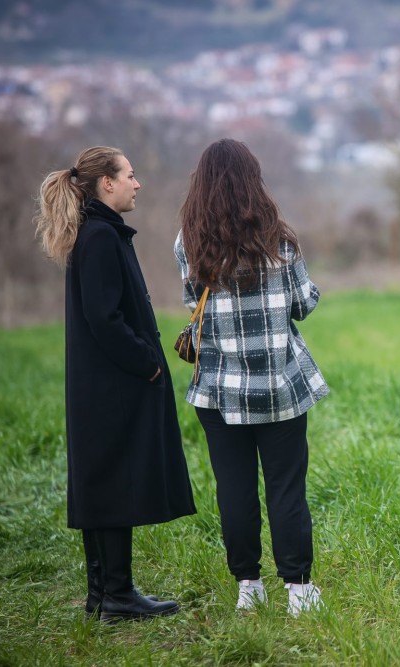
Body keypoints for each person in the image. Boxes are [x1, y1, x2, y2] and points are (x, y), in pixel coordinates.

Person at [35, 146, 196, 622]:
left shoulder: (95, 233)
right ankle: (118, 597)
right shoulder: (101, 238)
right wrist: (148, 362)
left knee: (101, 483)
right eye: (130, 175)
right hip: (115, 385)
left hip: (100, 386)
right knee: (112, 484)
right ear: (106, 183)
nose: (137, 183)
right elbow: (104, 319)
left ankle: (103, 595)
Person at [175, 138, 329, 616]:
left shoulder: (189, 241)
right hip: (280, 389)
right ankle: (299, 592)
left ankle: (248, 587)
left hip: (219, 393)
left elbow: (191, 305)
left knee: (234, 490)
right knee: (286, 487)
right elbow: (303, 304)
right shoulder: (280, 239)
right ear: (253, 181)